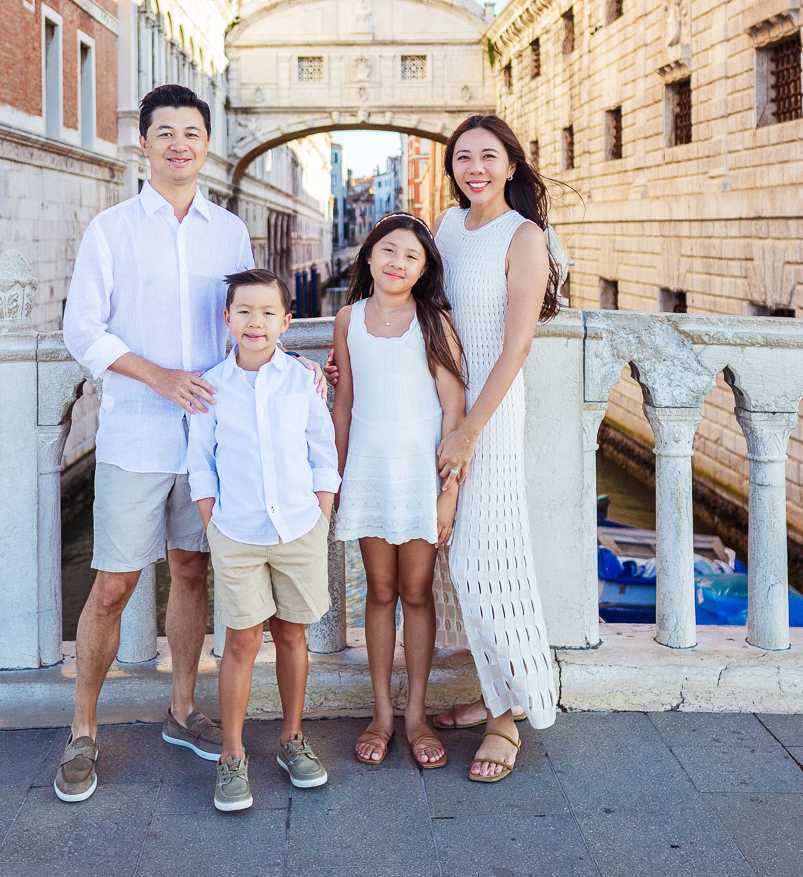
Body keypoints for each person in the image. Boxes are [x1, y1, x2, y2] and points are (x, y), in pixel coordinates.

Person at [55, 84, 253, 803]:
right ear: (143, 143)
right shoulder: (110, 230)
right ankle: (82, 731)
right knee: (113, 583)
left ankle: (181, 711)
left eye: (191, 132)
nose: (178, 143)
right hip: (136, 434)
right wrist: (159, 377)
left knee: (193, 572)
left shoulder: (228, 233)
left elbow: (245, 322)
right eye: (164, 131)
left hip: (207, 437)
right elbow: (83, 330)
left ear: (206, 143)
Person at [428, 114, 563, 782]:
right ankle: (489, 697)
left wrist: (470, 429)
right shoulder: (449, 229)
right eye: (463, 158)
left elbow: (515, 347)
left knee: (485, 563)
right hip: (444, 405)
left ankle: (509, 719)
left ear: (512, 165)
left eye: (488, 156)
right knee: (451, 564)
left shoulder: (524, 236)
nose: (474, 167)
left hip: (491, 416)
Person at [185, 267, 340, 812]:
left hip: (299, 527)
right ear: (227, 320)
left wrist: (320, 516)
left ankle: (291, 739)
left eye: (268, 312)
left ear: (287, 321)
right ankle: (232, 754)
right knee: (242, 642)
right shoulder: (212, 385)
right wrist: (215, 525)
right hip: (238, 532)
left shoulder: (302, 380)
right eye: (244, 312)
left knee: (293, 634)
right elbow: (201, 464)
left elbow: (323, 451)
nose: (256, 322)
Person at [329, 213, 466, 770]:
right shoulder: (348, 319)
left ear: (425, 268)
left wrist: (448, 493)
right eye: (388, 250)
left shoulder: (434, 321)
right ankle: (382, 713)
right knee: (380, 591)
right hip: (368, 467)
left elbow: (454, 409)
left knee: (417, 590)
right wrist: (335, 479)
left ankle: (415, 715)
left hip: (419, 472)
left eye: (411, 255)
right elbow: (344, 401)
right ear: (368, 257)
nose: (397, 262)